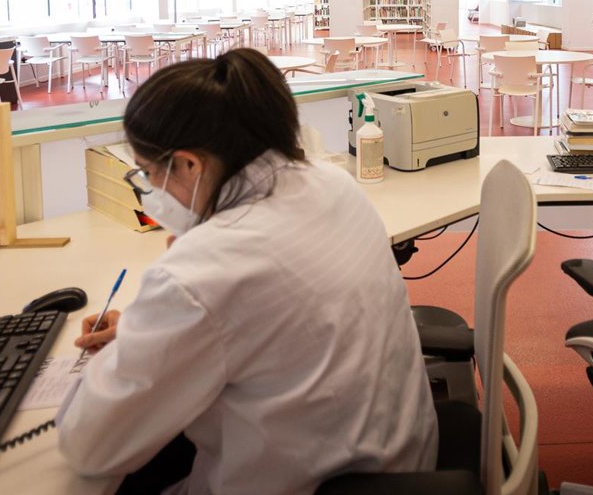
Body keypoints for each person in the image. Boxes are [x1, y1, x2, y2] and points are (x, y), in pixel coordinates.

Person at [57, 48, 438, 494]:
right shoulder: (334, 184)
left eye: (145, 173)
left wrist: (143, 335)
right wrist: (159, 330)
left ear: (189, 165)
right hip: (401, 461)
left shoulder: (202, 270)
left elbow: (89, 443)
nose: (149, 190)